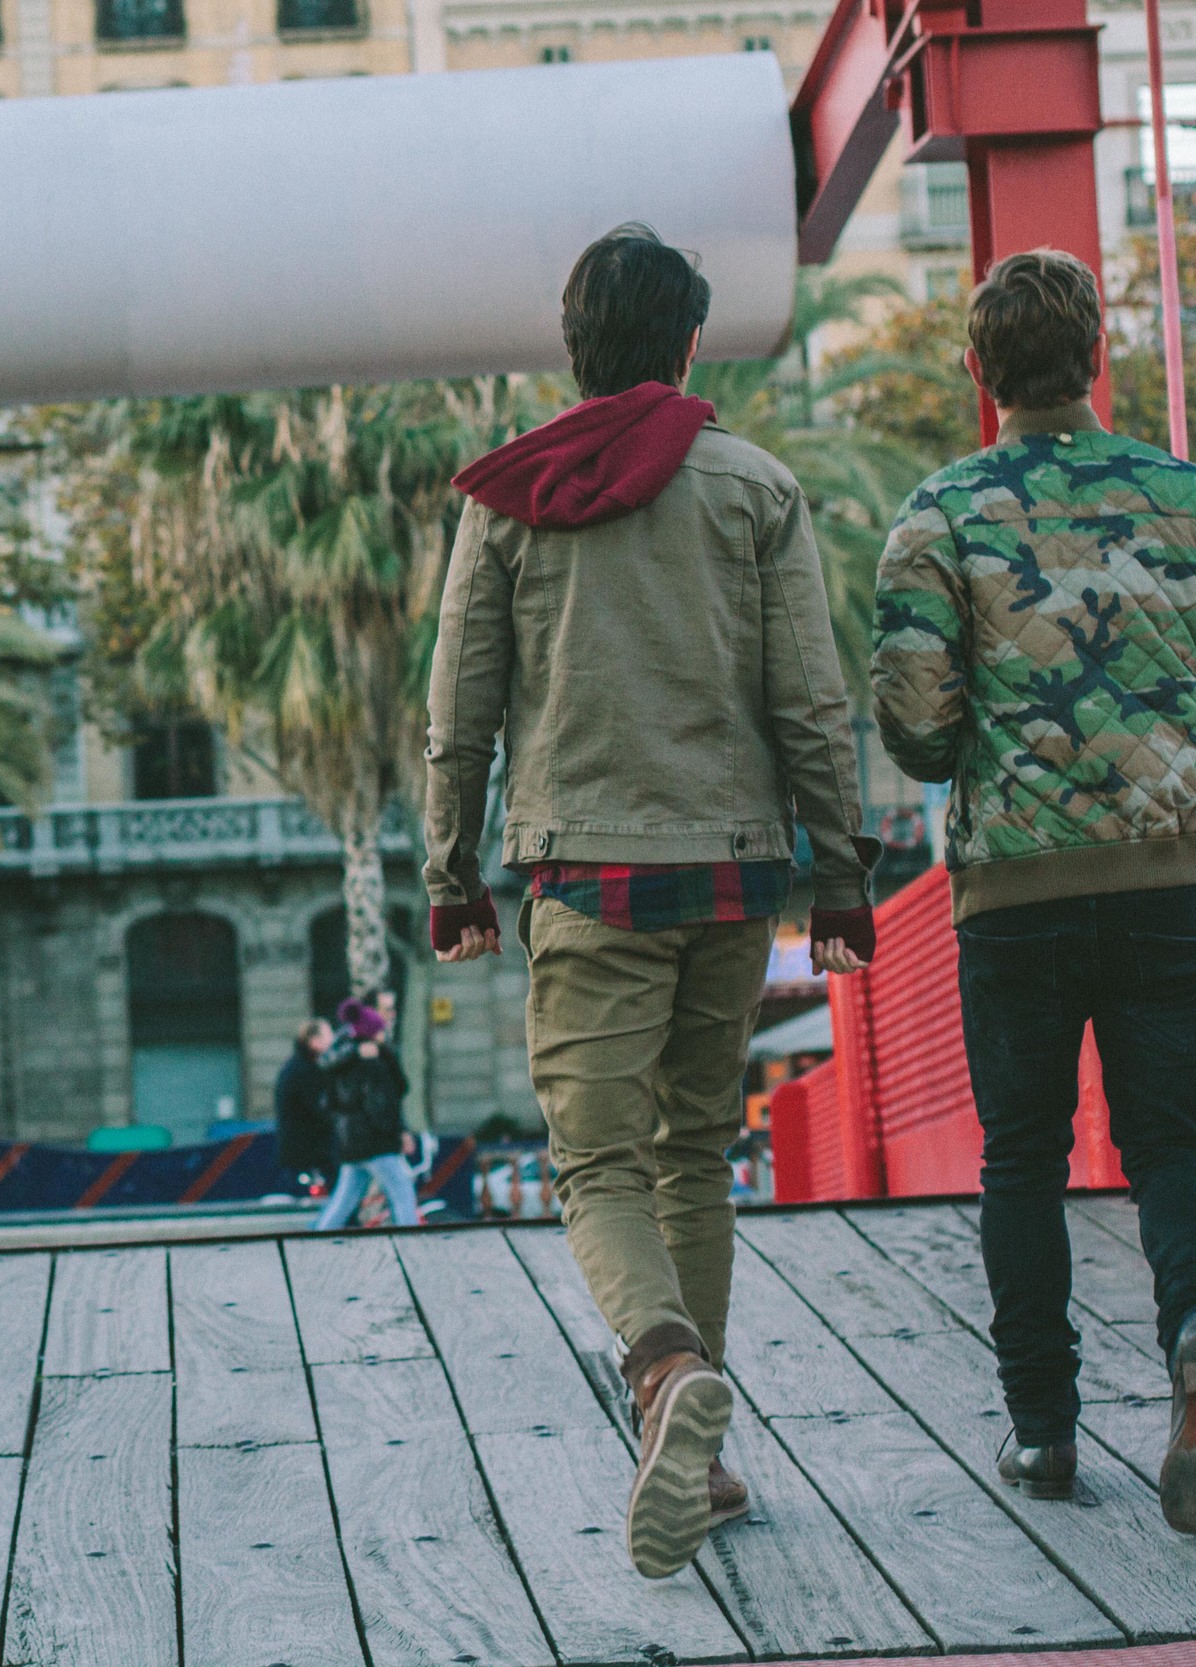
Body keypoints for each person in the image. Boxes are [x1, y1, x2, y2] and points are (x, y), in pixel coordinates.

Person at [422, 224, 877, 1577]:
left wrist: (452, 873)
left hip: (588, 874)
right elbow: (811, 699)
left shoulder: (511, 496)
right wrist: (842, 876)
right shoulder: (756, 486)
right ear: (689, 344)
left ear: (576, 349)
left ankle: (667, 1372)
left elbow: (461, 714)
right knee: (692, 1149)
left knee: (597, 1161)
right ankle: (708, 1446)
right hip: (736, 870)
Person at [870, 247, 1196, 1531]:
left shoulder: (938, 512)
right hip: (1177, 876)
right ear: (1098, 359)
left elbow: (912, 724)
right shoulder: (1182, 494)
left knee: (1022, 1155)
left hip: (1015, 889)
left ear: (975, 373)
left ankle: (1043, 1431)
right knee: (1177, 1138)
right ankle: (1190, 1341)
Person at [314, 997, 419, 1229]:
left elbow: (330, 1101)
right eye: (380, 1029)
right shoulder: (373, 1064)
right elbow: (381, 1107)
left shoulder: (343, 1060)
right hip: (376, 1142)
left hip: (351, 1141)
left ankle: (317, 1240)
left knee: (344, 1201)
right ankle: (412, 1242)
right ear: (373, 1033)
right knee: (402, 1192)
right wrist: (398, 1133)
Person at [276, 1018, 338, 1192]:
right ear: (314, 1042)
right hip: (311, 1153)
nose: (332, 1040)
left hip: (303, 1151)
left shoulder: (298, 1066)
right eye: (328, 1035)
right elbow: (322, 1109)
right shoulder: (306, 1071)